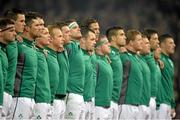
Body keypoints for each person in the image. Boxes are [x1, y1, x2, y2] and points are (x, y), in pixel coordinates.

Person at [10, 12, 41, 119]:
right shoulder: (17, 45)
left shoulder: (33, 48)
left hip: (31, 98)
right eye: (37, 25)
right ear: (27, 28)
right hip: (19, 97)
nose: (40, 28)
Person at [3, 9, 25, 119]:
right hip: (5, 90)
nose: (24, 24)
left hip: (10, 92)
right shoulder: (5, 42)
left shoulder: (18, 41)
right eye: (21, 21)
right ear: (11, 21)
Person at [119, 29, 143, 119]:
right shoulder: (123, 56)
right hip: (126, 103)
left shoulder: (136, 58)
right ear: (131, 42)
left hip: (136, 103)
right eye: (139, 40)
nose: (142, 42)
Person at [64, 19, 85, 120]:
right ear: (68, 32)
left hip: (79, 94)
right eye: (75, 27)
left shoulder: (77, 46)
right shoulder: (69, 46)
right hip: (70, 93)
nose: (79, 29)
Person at [106, 26, 126, 120]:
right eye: (121, 35)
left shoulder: (117, 54)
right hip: (107, 101)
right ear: (113, 38)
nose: (125, 37)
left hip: (115, 100)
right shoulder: (107, 52)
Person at [34, 27, 52, 119]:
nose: (49, 36)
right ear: (37, 37)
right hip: (38, 99)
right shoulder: (34, 53)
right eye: (45, 33)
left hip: (47, 99)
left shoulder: (44, 53)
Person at [0, 18, 16, 119]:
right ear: (1, 33)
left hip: (5, 96)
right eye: (11, 31)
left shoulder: (3, 51)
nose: (15, 34)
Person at [47, 24, 64, 119]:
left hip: (52, 100)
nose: (63, 39)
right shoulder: (45, 55)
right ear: (51, 39)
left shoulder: (54, 55)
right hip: (45, 100)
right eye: (60, 36)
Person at [94, 35, 113, 120]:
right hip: (98, 106)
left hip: (107, 105)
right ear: (98, 47)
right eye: (106, 43)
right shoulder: (96, 61)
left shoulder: (106, 60)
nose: (109, 44)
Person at [158, 34, 176, 119]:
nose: (174, 45)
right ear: (162, 44)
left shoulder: (170, 62)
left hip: (168, 103)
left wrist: (172, 105)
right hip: (160, 103)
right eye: (171, 43)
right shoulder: (157, 58)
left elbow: (170, 84)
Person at [80, 28, 96, 120]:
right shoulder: (78, 56)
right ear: (83, 40)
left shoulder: (89, 55)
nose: (94, 42)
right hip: (80, 100)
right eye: (92, 39)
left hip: (90, 99)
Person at [144, 28, 160, 118]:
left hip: (154, 99)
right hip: (146, 99)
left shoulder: (152, 57)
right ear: (147, 40)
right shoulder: (143, 56)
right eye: (155, 39)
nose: (158, 42)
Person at [138, 35, 151, 119]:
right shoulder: (136, 60)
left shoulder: (143, 60)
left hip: (146, 103)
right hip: (139, 103)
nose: (149, 45)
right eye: (146, 43)